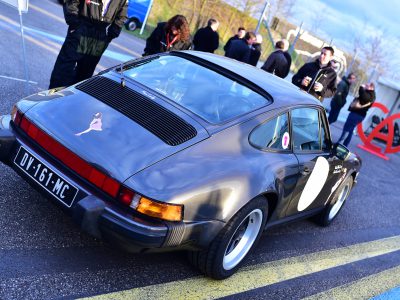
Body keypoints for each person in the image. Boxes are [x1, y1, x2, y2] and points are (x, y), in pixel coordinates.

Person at [49, 0, 128, 89]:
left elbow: (122, 15)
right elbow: (71, 2)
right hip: (81, 28)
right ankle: (52, 98)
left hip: (100, 35)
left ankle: (73, 100)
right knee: (63, 69)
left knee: (85, 75)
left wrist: (111, 35)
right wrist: (74, 23)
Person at [337, 83, 376, 147]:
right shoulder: (371, 94)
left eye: (367, 86)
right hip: (358, 114)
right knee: (350, 130)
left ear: (372, 88)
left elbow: (364, 96)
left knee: (347, 129)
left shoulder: (370, 95)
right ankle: (344, 145)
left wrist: (361, 87)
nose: (365, 86)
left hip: (357, 114)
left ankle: (339, 144)